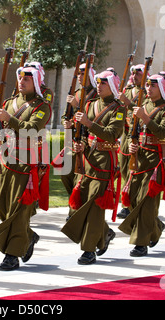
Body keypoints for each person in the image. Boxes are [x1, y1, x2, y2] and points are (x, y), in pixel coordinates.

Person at [0, 66, 51, 271]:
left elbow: (31, 128)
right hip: (5, 161)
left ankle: (11, 255)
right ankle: (27, 236)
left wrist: (8, 119)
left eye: (27, 79)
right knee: (1, 206)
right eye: (20, 78)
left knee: (17, 210)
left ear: (36, 82)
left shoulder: (42, 106)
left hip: (25, 163)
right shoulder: (8, 103)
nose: (21, 82)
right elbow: (1, 129)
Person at [61, 70, 125, 264]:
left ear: (112, 86)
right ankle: (103, 234)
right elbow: (82, 132)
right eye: (97, 82)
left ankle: (89, 250)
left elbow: (112, 134)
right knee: (82, 202)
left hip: (104, 161)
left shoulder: (118, 109)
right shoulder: (89, 104)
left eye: (103, 83)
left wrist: (88, 123)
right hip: (87, 159)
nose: (99, 85)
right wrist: (80, 144)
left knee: (95, 205)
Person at [119, 74, 165, 257]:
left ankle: (140, 243)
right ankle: (156, 226)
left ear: (161, 88)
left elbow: (162, 132)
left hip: (156, 160)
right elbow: (131, 132)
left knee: (146, 201)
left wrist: (144, 117)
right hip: (139, 158)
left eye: (153, 86)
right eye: (148, 86)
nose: (149, 89)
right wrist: (131, 144)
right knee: (135, 199)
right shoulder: (142, 107)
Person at [57, 63, 98, 220]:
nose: (80, 77)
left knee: (78, 177)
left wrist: (76, 105)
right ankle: (74, 202)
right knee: (64, 172)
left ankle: (73, 211)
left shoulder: (95, 95)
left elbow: (90, 116)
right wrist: (65, 122)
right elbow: (65, 115)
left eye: (83, 74)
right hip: (72, 140)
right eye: (79, 74)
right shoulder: (76, 93)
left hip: (85, 142)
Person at [117, 64, 146, 219]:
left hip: (138, 134)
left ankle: (128, 204)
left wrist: (128, 102)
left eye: (138, 74)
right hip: (126, 132)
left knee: (133, 169)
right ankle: (127, 200)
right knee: (123, 168)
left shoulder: (148, 92)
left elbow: (145, 111)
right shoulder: (127, 90)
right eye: (133, 74)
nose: (134, 76)